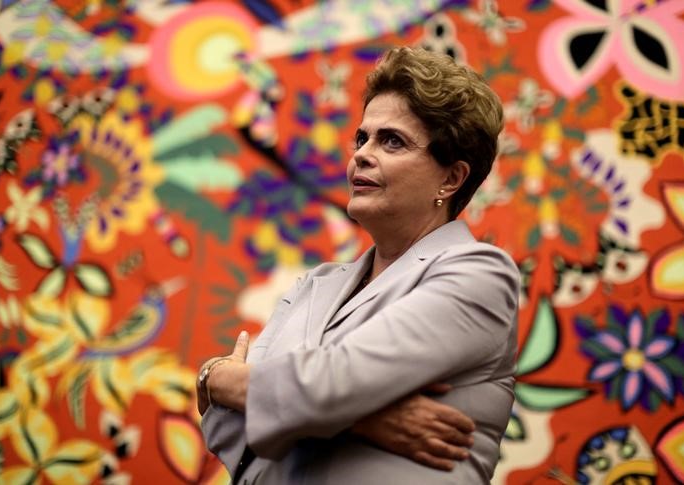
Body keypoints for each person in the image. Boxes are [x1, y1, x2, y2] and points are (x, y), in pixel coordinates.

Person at [198, 46, 519, 484]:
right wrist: (361, 419)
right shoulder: (317, 284)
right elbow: (225, 430)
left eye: (392, 141)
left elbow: (326, 387)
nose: (362, 155)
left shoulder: (479, 275)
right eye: (362, 138)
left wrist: (223, 381)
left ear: (451, 178)